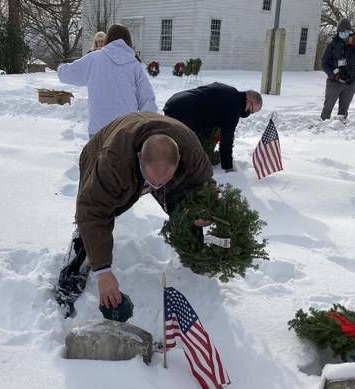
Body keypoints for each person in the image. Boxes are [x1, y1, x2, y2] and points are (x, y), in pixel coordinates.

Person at [55, 112, 214, 314]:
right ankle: (77, 264)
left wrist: (202, 212)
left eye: (162, 183)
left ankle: (194, 262)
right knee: (93, 219)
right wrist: (103, 272)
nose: (155, 187)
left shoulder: (192, 151)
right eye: (150, 182)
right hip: (102, 150)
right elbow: (93, 210)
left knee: (186, 203)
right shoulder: (112, 160)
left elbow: (205, 186)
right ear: (139, 157)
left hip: (160, 152)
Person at [57, 23, 157, 138]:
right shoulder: (134, 65)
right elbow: (148, 101)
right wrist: (145, 129)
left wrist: (60, 67)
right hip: (126, 131)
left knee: (98, 156)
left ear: (108, 39)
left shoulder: (94, 58)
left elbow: (66, 74)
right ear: (128, 41)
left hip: (98, 131)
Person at [163, 83, 262, 172]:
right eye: (251, 111)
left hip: (175, 102)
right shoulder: (234, 106)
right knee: (178, 145)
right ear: (249, 101)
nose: (249, 114)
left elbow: (210, 114)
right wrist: (228, 166)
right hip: (183, 111)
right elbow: (227, 138)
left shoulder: (231, 93)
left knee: (172, 140)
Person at [321, 18, 355, 121]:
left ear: (350, 31)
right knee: (327, 109)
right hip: (334, 82)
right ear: (338, 31)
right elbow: (324, 63)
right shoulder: (332, 44)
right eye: (341, 31)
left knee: (343, 112)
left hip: (350, 83)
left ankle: (341, 131)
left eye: (346, 31)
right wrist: (333, 75)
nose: (343, 33)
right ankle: (322, 130)